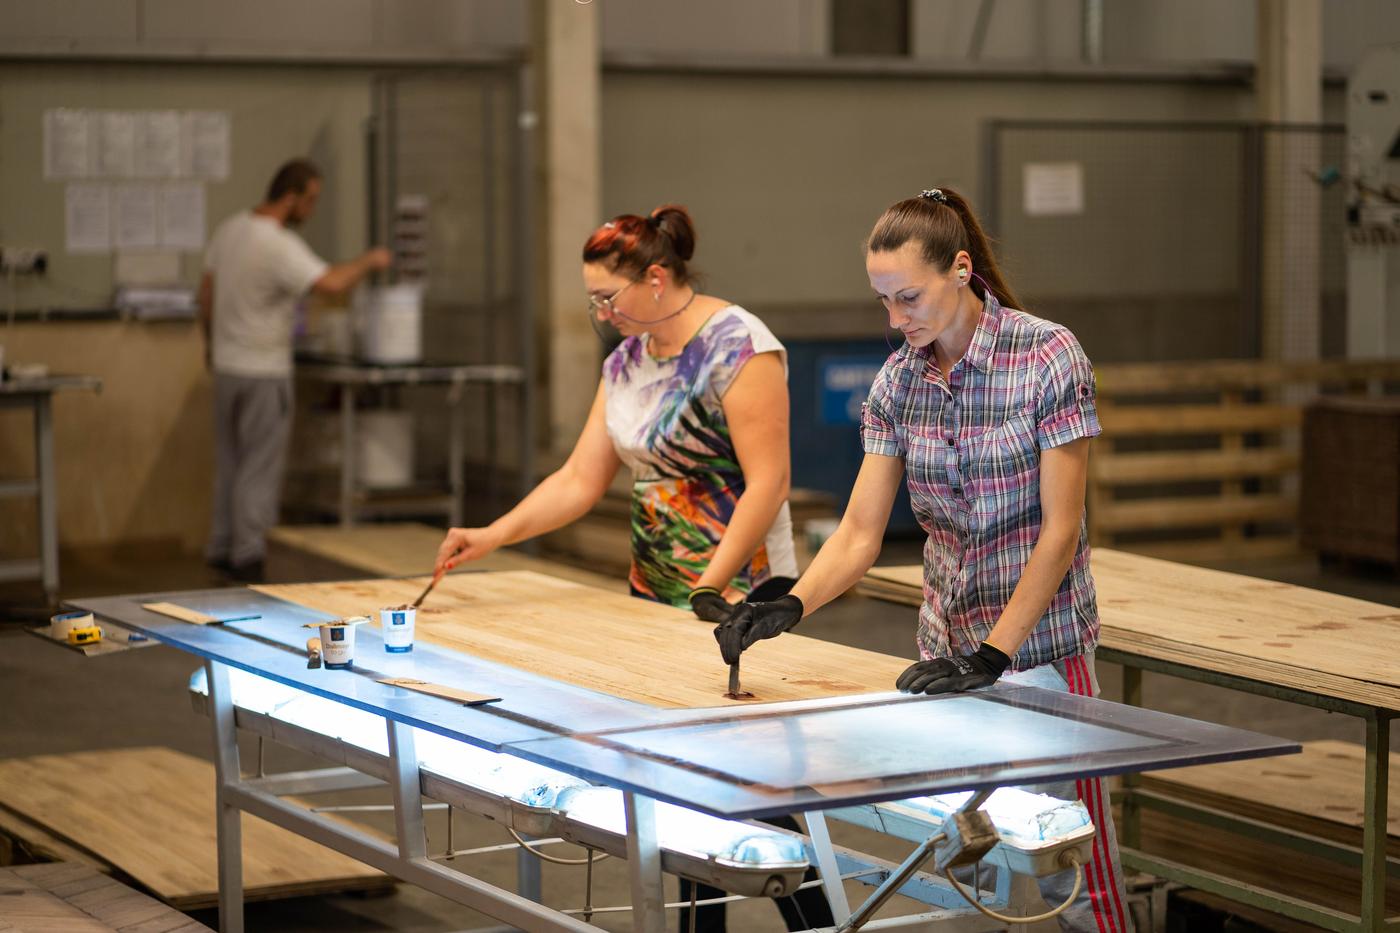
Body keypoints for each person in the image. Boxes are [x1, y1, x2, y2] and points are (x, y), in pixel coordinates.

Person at [714, 187, 1132, 933]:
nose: (896, 319)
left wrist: (997, 652)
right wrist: (793, 603)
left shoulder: (1046, 355)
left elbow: (1060, 530)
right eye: (883, 301)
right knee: (985, 864)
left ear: (961, 269)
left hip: (1040, 652)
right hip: (946, 660)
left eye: (908, 297)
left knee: (1076, 872)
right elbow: (858, 532)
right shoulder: (899, 383)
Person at [434, 204, 827, 933]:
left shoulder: (740, 347)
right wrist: (491, 535)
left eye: (607, 298)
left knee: (757, 787)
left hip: (736, 592)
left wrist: (711, 585)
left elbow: (768, 481)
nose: (601, 313)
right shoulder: (626, 361)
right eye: (593, 301)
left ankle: (821, 922)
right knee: (685, 787)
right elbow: (580, 480)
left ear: (655, 277)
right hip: (654, 591)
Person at [200, 158, 392, 582]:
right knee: (259, 465)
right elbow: (331, 284)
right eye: (311, 200)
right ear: (291, 198)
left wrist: (210, 347)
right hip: (263, 371)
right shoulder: (277, 243)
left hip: (228, 367)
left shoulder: (230, 229)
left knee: (230, 461)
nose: (313, 209)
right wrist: (370, 261)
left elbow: (206, 293)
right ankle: (248, 554)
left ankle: (220, 545)